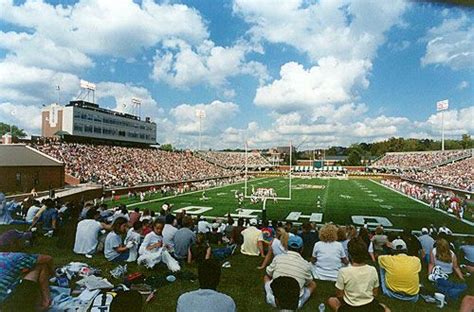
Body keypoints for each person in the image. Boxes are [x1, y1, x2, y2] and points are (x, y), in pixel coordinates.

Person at [328, 237, 390, 312]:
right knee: (385, 308)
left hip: (351, 307)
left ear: (350, 254)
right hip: (369, 305)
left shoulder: (343, 271)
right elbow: (375, 293)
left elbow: (339, 295)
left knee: (332, 300)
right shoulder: (372, 269)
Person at [264, 235, 316, 309]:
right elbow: (308, 283)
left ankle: (269, 295)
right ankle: (301, 302)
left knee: (266, 277)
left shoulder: (278, 258)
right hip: (295, 302)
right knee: (313, 284)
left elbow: (268, 273)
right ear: (301, 249)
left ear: (287, 247)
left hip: (275, 297)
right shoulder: (306, 264)